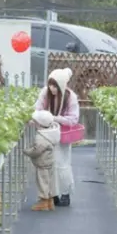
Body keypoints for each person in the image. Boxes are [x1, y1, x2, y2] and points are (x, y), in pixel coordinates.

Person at [34, 68, 80, 207]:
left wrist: (55, 118)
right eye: (50, 85)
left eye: (55, 85)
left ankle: (65, 193)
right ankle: (53, 195)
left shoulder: (70, 97)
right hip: (47, 133)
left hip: (63, 134)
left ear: (61, 85)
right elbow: (37, 109)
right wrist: (40, 118)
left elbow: (73, 119)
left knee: (62, 164)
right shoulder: (45, 92)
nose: (52, 88)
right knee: (49, 164)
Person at [23, 110, 60, 211]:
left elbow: (36, 151)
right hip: (49, 161)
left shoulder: (41, 138)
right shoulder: (51, 132)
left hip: (42, 164)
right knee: (50, 181)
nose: (33, 123)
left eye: (35, 122)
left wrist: (26, 151)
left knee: (42, 182)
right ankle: (50, 201)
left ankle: (43, 202)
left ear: (39, 124)